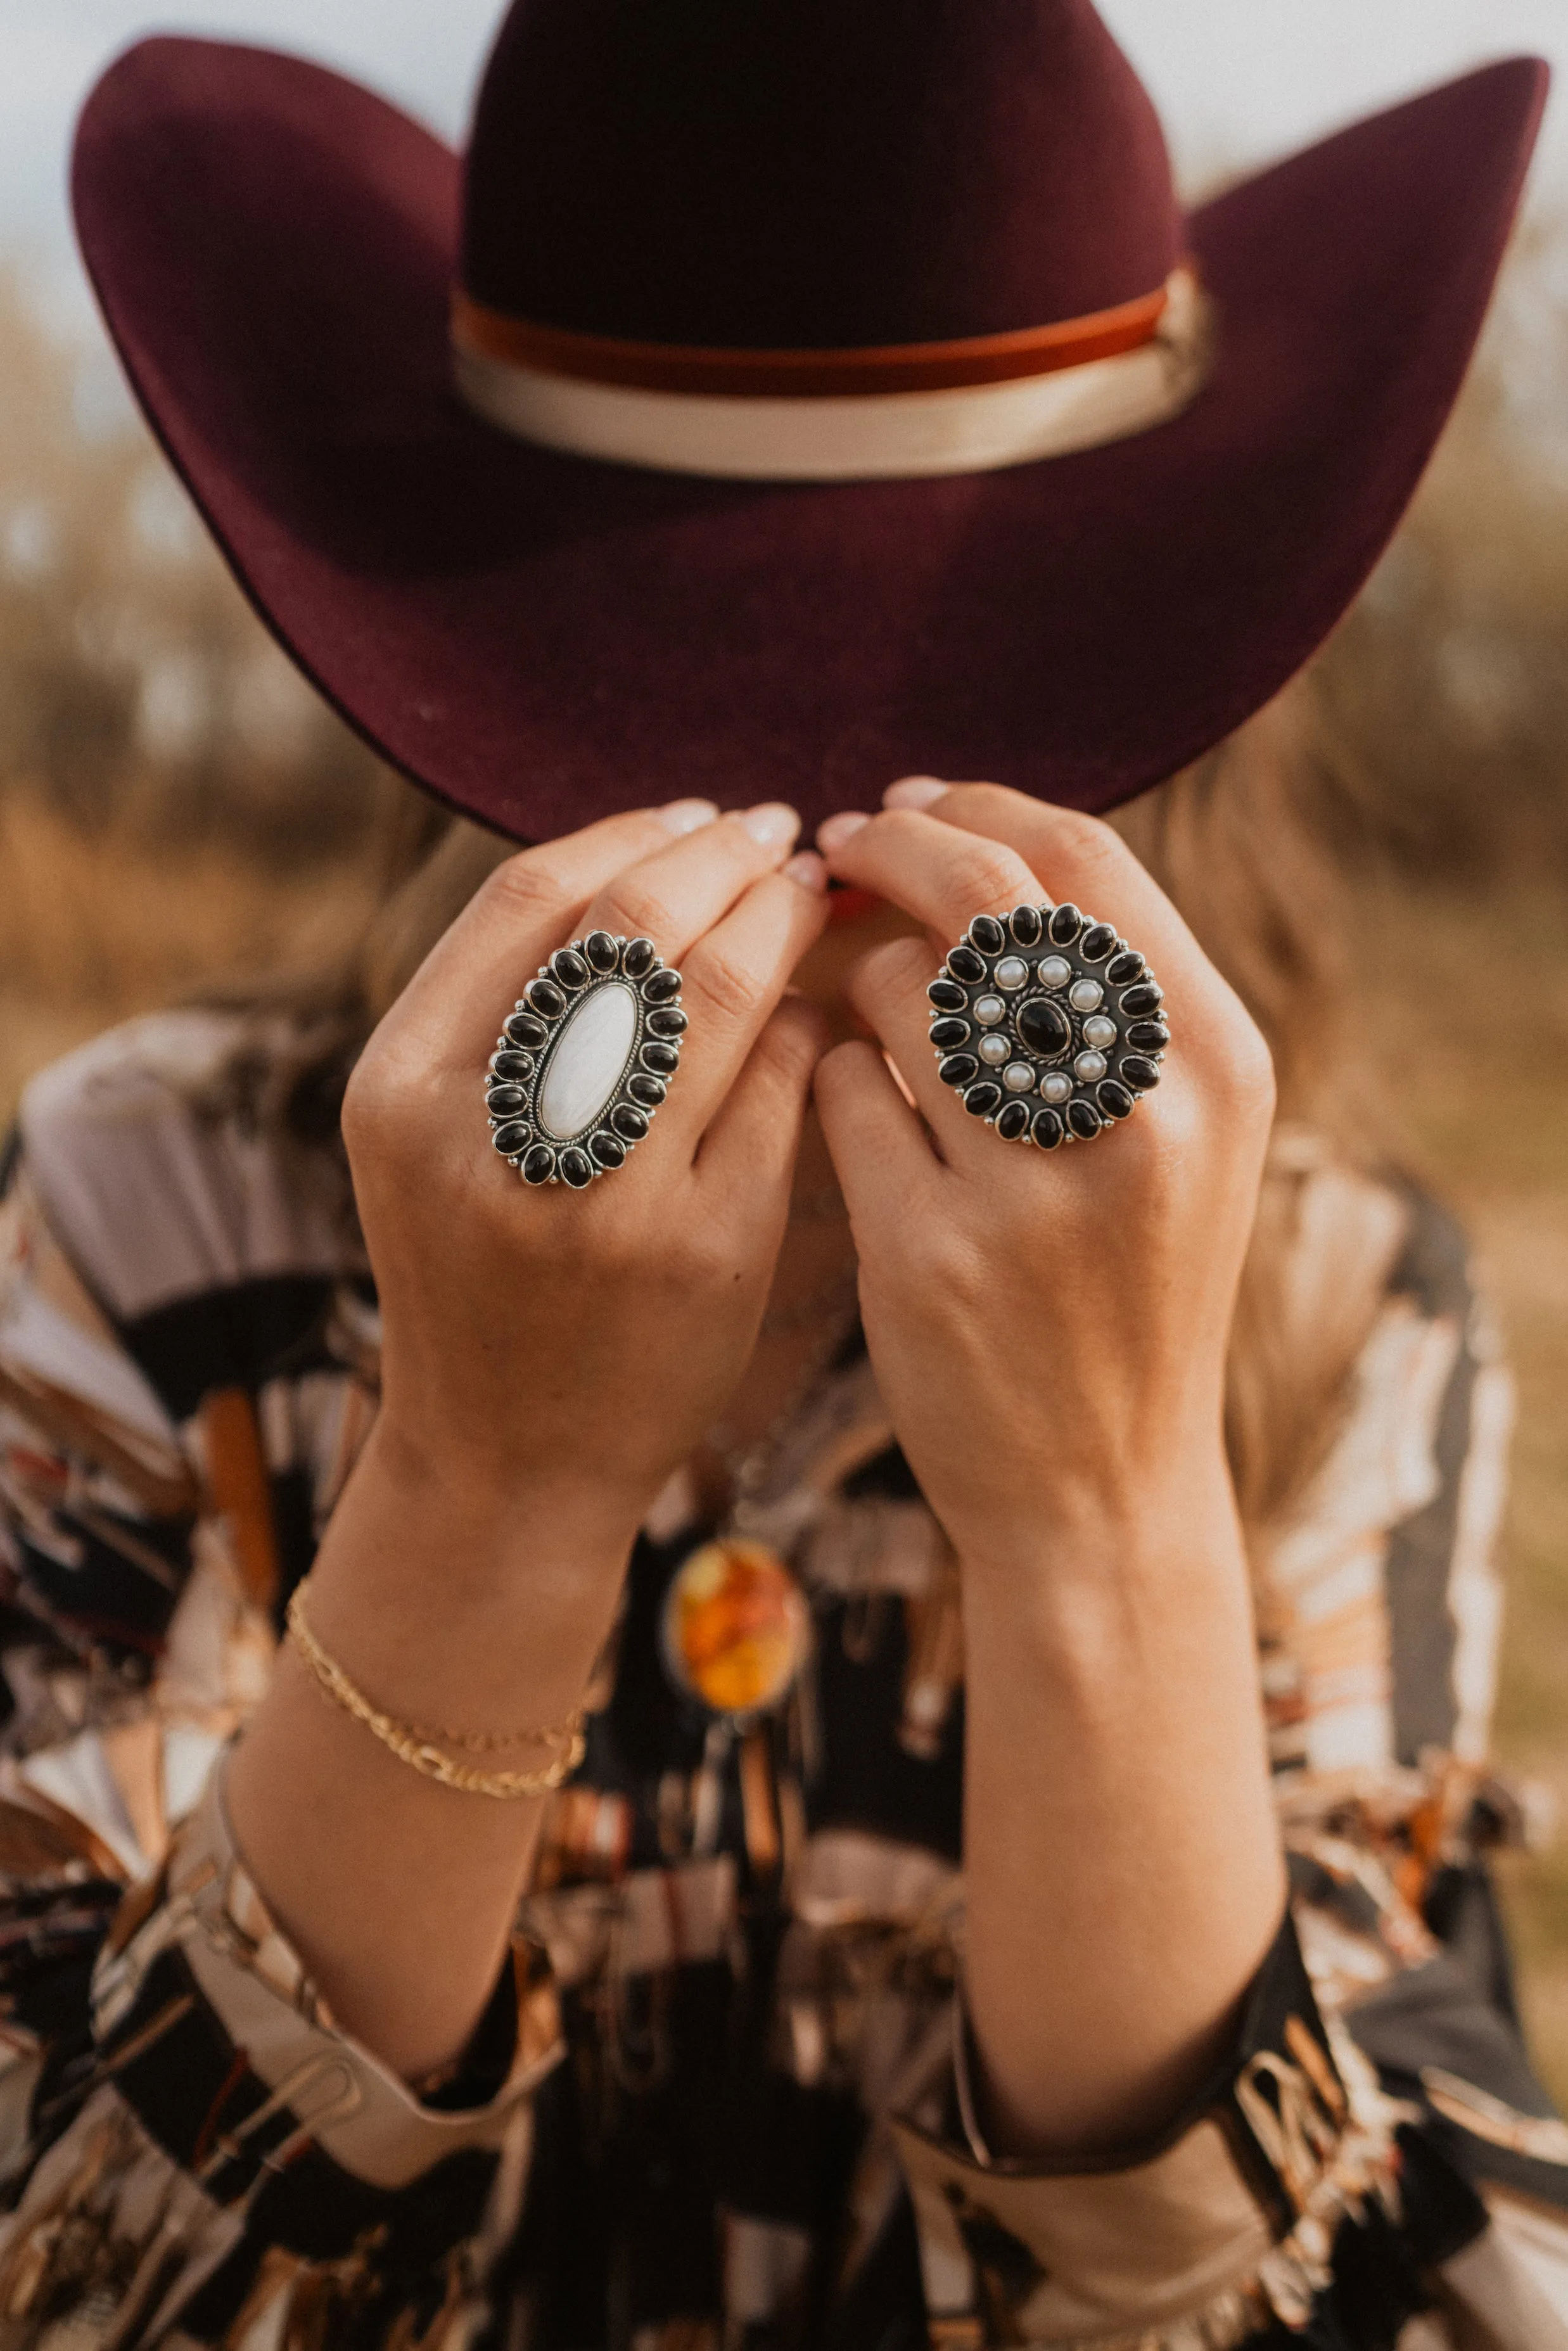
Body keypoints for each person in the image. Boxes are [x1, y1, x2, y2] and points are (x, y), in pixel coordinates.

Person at [0, 3, 1564, 2343]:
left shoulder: (1335, 1296)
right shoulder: (146, 1210)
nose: (828, 850)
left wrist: (1113, 1530)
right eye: (709, 725)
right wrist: (483, 1494)